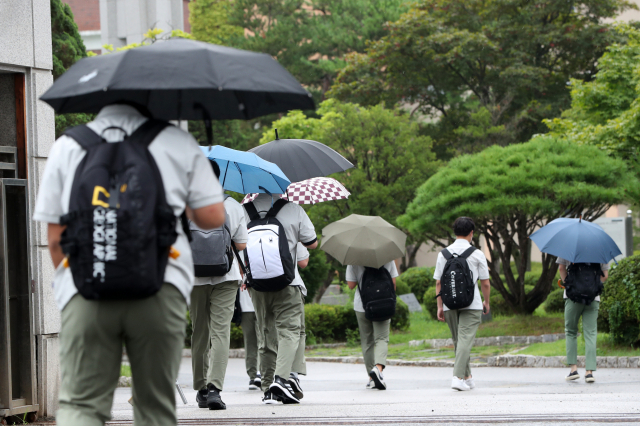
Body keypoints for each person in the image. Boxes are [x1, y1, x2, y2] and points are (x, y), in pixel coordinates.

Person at [33, 104, 226, 426]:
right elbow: (212, 217)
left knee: (81, 404)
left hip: (86, 289)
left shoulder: (67, 145)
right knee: (154, 404)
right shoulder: (176, 141)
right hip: (160, 285)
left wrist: (80, 280)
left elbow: (55, 239)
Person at [242, 194, 317, 405]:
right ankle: (281, 380)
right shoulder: (294, 209)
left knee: (265, 334)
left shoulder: (243, 211)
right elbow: (312, 244)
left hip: (257, 285)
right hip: (288, 282)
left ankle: (267, 389)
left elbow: (235, 245)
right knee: (290, 331)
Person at [191, 161, 248, 410]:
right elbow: (243, 245)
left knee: (199, 332)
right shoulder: (232, 206)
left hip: (193, 277)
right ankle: (215, 389)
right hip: (226, 277)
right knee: (220, 332)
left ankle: (201, 389)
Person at [434, 217, 490, 392]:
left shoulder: (443, 254)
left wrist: (440, 306)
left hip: (450, 303)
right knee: (465, 340)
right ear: (471, 233)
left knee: (459, 340)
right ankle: (457, 377)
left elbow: (438, 283)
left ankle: (468, 377)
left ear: (454, 232)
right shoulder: (477, 254)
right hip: (471, 303)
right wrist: (486, 301)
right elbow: (485, 283)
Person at [346, 261, 399, 390]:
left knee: (367, 341)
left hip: (362, 305)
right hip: (383, 303)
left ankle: (371, 377)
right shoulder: (387, 256)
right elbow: (393, 284)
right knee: (381, 338)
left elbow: (351, 285)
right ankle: (378, 369)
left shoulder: (353, 258)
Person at [558, 258, 608, 383]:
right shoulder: (600, 249)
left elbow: (561, 268)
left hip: (573, 297)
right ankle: (589, 372)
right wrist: (593, 287)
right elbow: (605, 276)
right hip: (593, 298)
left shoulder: (568, 245)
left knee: (570, 331)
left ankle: (573, 370)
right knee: (590, 333)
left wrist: (569, 285)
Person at [239, 285, 262, 390]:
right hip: (245, 307)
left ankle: (262, 373)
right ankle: (253, 376)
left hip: (262, 305)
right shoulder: (238, 268)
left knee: (263, 340)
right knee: (250, 342)